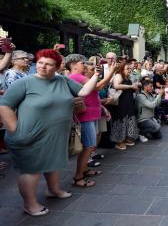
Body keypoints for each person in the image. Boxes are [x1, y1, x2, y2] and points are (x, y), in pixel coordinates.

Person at [0, 49, 99, 216]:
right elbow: (4, 105)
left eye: (48, 64)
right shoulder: (24, 82)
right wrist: (15, 130)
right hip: (28, 136)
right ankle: (30, 204)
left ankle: (53, 190)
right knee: (31, 170)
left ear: (57, 67)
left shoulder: (62, 80)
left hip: (54, 135)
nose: (43, 67)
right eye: (40, 63)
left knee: (53, 163)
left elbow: (83, 92)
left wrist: (96, 75)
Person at [66, 54, 117, 187]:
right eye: (82, 62)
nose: (85, 64)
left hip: (90, 114)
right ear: (73, 65)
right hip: (85, 116)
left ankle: (84, 170)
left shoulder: (79, 77)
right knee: (89, 146)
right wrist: (112, 71)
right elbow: (98, 87)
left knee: (89, 145)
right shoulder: (76, 77)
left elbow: (93, 93)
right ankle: (78, 177)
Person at [110, 62, 140, 150]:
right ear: (122, 69)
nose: (130, 70)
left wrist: (134, 86)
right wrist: (131, 86)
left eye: (130, 69)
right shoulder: (118, 75)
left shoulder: (127, 77)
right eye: (127, 69)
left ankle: (126, 138)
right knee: (120, 120)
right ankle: (119, 142)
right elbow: (116, 86)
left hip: (128, 101)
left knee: (128, 119)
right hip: (120, 102)